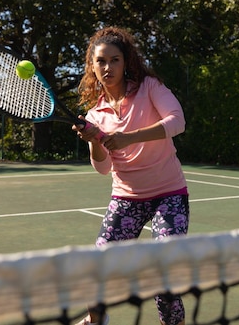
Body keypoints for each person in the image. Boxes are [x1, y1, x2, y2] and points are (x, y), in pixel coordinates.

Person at [72, 27, 189, 325]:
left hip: (169, 195)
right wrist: (94, 142)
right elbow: (103, 168)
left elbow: (177, 121)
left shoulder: (149, 87)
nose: (108, 67)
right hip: (126, 199)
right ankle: (96, 320)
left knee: (165, 279)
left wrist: (129, 137)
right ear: (92, 66)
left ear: (126, 63)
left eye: (115, 60)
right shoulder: (95, 115)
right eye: (101, 61)